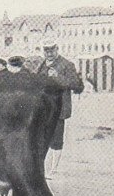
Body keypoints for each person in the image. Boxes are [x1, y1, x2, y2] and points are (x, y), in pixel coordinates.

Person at [35, 39, 84, 175]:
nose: (49, 53)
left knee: (56, 139)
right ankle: (41, 168)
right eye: (46, 50)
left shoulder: (67, 64)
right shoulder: (42, 65)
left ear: (57, 49)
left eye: (52, 50)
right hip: (43, 107)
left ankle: (53, 169)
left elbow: (76, 84)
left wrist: (58, 78)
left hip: (58, 108)